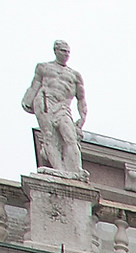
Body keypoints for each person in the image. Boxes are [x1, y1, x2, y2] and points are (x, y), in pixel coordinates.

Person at [22, 40, 87, 178]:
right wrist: (27, 100)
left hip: (63, 106)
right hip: (45, 102)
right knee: (49, 136)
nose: (66, 54)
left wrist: (82, 116)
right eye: (63, 51)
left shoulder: (75, 75)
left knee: (70, 137)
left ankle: (75, 169)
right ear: (56, 51)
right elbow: (35, 85)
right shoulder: (44, 67)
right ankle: (59, 169)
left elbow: (81, 98)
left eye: (68, 52)